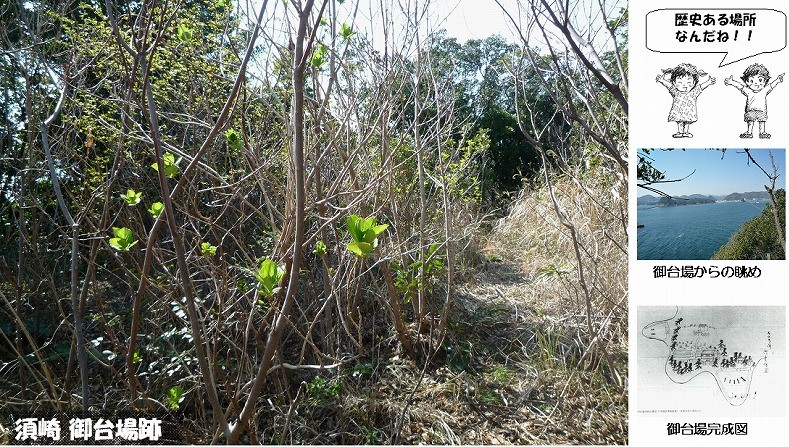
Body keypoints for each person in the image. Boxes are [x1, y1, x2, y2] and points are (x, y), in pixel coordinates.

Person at [724, 63, 784, 139]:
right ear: (747, 82)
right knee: (750, 121)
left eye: (760, 80)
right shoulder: (748, 91)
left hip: (761, 110)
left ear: (765, 81)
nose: (756, 83)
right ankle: (749, 132)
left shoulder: (764, 90)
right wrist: (731, 82)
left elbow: (772, 85)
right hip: (750, 110)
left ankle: (762, 132)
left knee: (762, 121)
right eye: (752, 80)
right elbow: (740, 86)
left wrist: (778, 80)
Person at [656, 63, 715, 138]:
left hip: (689, 111)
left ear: (694, 83)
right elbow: (669, 85)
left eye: (689, 83)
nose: (685, 86)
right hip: (679, 111)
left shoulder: (693, 92)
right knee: (680, 121)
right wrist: (662, 80)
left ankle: (686, 132)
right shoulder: (675, 92)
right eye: (680, 83)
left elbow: (701, 87)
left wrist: (709, 82)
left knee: (687, 121)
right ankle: (680, 132)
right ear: (674, 82)